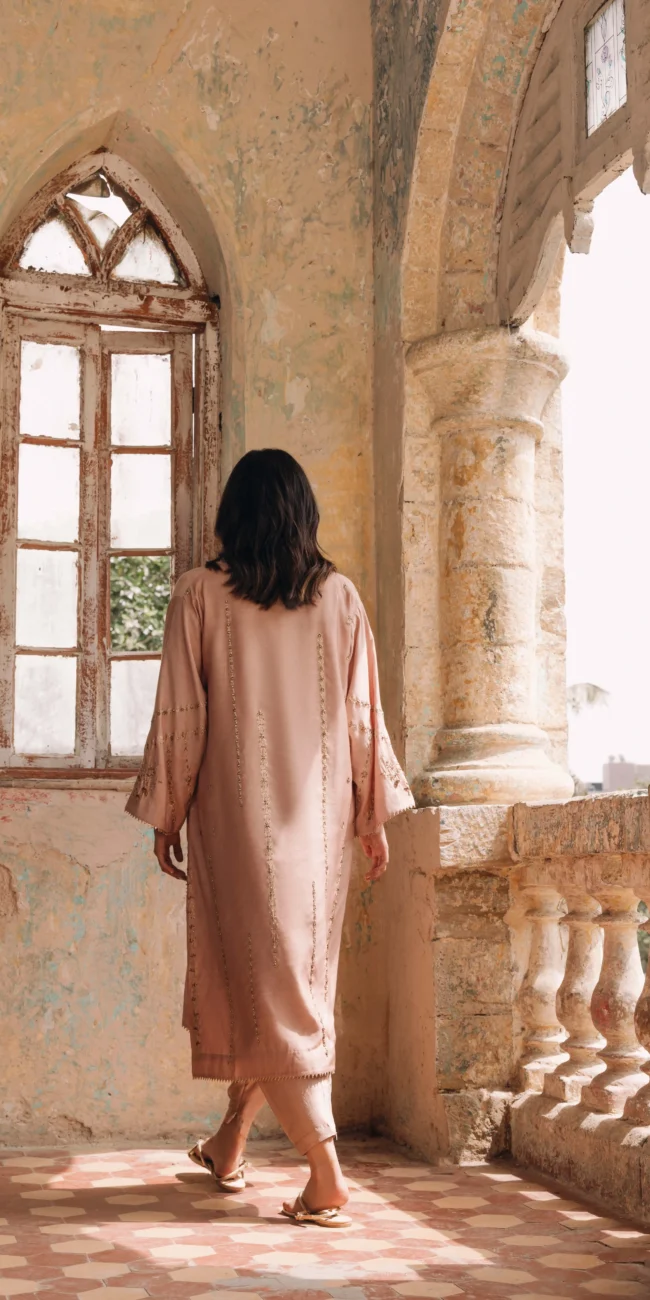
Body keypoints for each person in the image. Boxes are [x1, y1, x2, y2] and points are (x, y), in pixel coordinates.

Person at [126, 449, 414, 1227]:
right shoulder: (340, 598)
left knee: (271, 992)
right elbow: (363, 718)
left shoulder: (198, 594)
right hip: (317, 836)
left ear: (233, 514)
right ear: (302, 515)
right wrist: (369, 818)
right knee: (285, 988)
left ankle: (325, 1175)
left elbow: (181, 715)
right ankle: (229, 1143)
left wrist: (167, 813)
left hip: (234, 827)